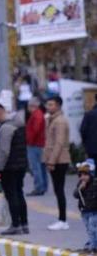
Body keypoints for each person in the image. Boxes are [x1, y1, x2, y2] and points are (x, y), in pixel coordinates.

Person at [0, 103, 29, 235]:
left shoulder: (6, 128)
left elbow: (4, 151)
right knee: (19, 193)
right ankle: (24, 224)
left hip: (9, 167)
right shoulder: (18, 124)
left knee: (11, 195)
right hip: (20, 165)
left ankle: (16, 225)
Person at [43, 95, 71, 231]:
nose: (48, 107)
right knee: (57, 189)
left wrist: (51, 161)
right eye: (48, 104)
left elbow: (59, 143)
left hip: (59, 160)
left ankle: (63, 219)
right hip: (56, 159)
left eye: (51, 104)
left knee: (59, 190)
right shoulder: (52, 120)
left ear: (58, 106)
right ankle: (61, 218)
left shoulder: (59, 121)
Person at [73, 160, 97, 253]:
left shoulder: (95, 184)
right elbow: (75, 195)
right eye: (81, 175)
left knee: (93, 228)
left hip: (94, 211)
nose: (83, 177)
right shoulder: (80, 185)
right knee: (88, 229)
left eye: (85, 175)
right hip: (85, 211)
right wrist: (80, 189)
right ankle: (92, 244)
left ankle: (93, 246)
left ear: (91, 174)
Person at [25, 97, 47, 196]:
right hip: (39, 143)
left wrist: (29, 141)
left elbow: (35, 130)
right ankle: (43, 186)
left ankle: (38, 187)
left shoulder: (36, 115)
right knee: (41, 166)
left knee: (36, 167)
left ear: (32, 106)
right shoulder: (39, 114)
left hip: (34, 144)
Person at [80, 94, 97, 161]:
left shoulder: (89, 114)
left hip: (92, 149)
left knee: (93, 168)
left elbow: (83, 130)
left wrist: (86, 144)